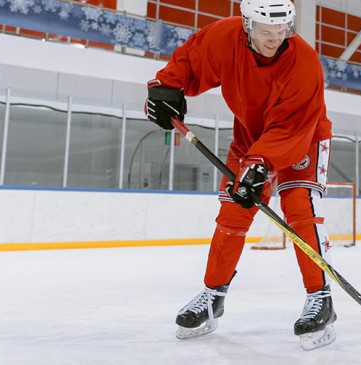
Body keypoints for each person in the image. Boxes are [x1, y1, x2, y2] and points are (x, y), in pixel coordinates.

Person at [144, 0, 336, 350]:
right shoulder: (225, 37)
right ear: (248, 25)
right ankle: (212, 294)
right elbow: (193, 57)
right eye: (267, 31)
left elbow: (291, 128)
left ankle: (319, 296)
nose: (275, 38)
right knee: (232, 214)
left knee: (300, 213)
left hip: (303, 137)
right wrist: (167, 86)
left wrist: (261, 165)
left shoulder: (305, 63)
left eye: (282, 31)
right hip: (250, 136)